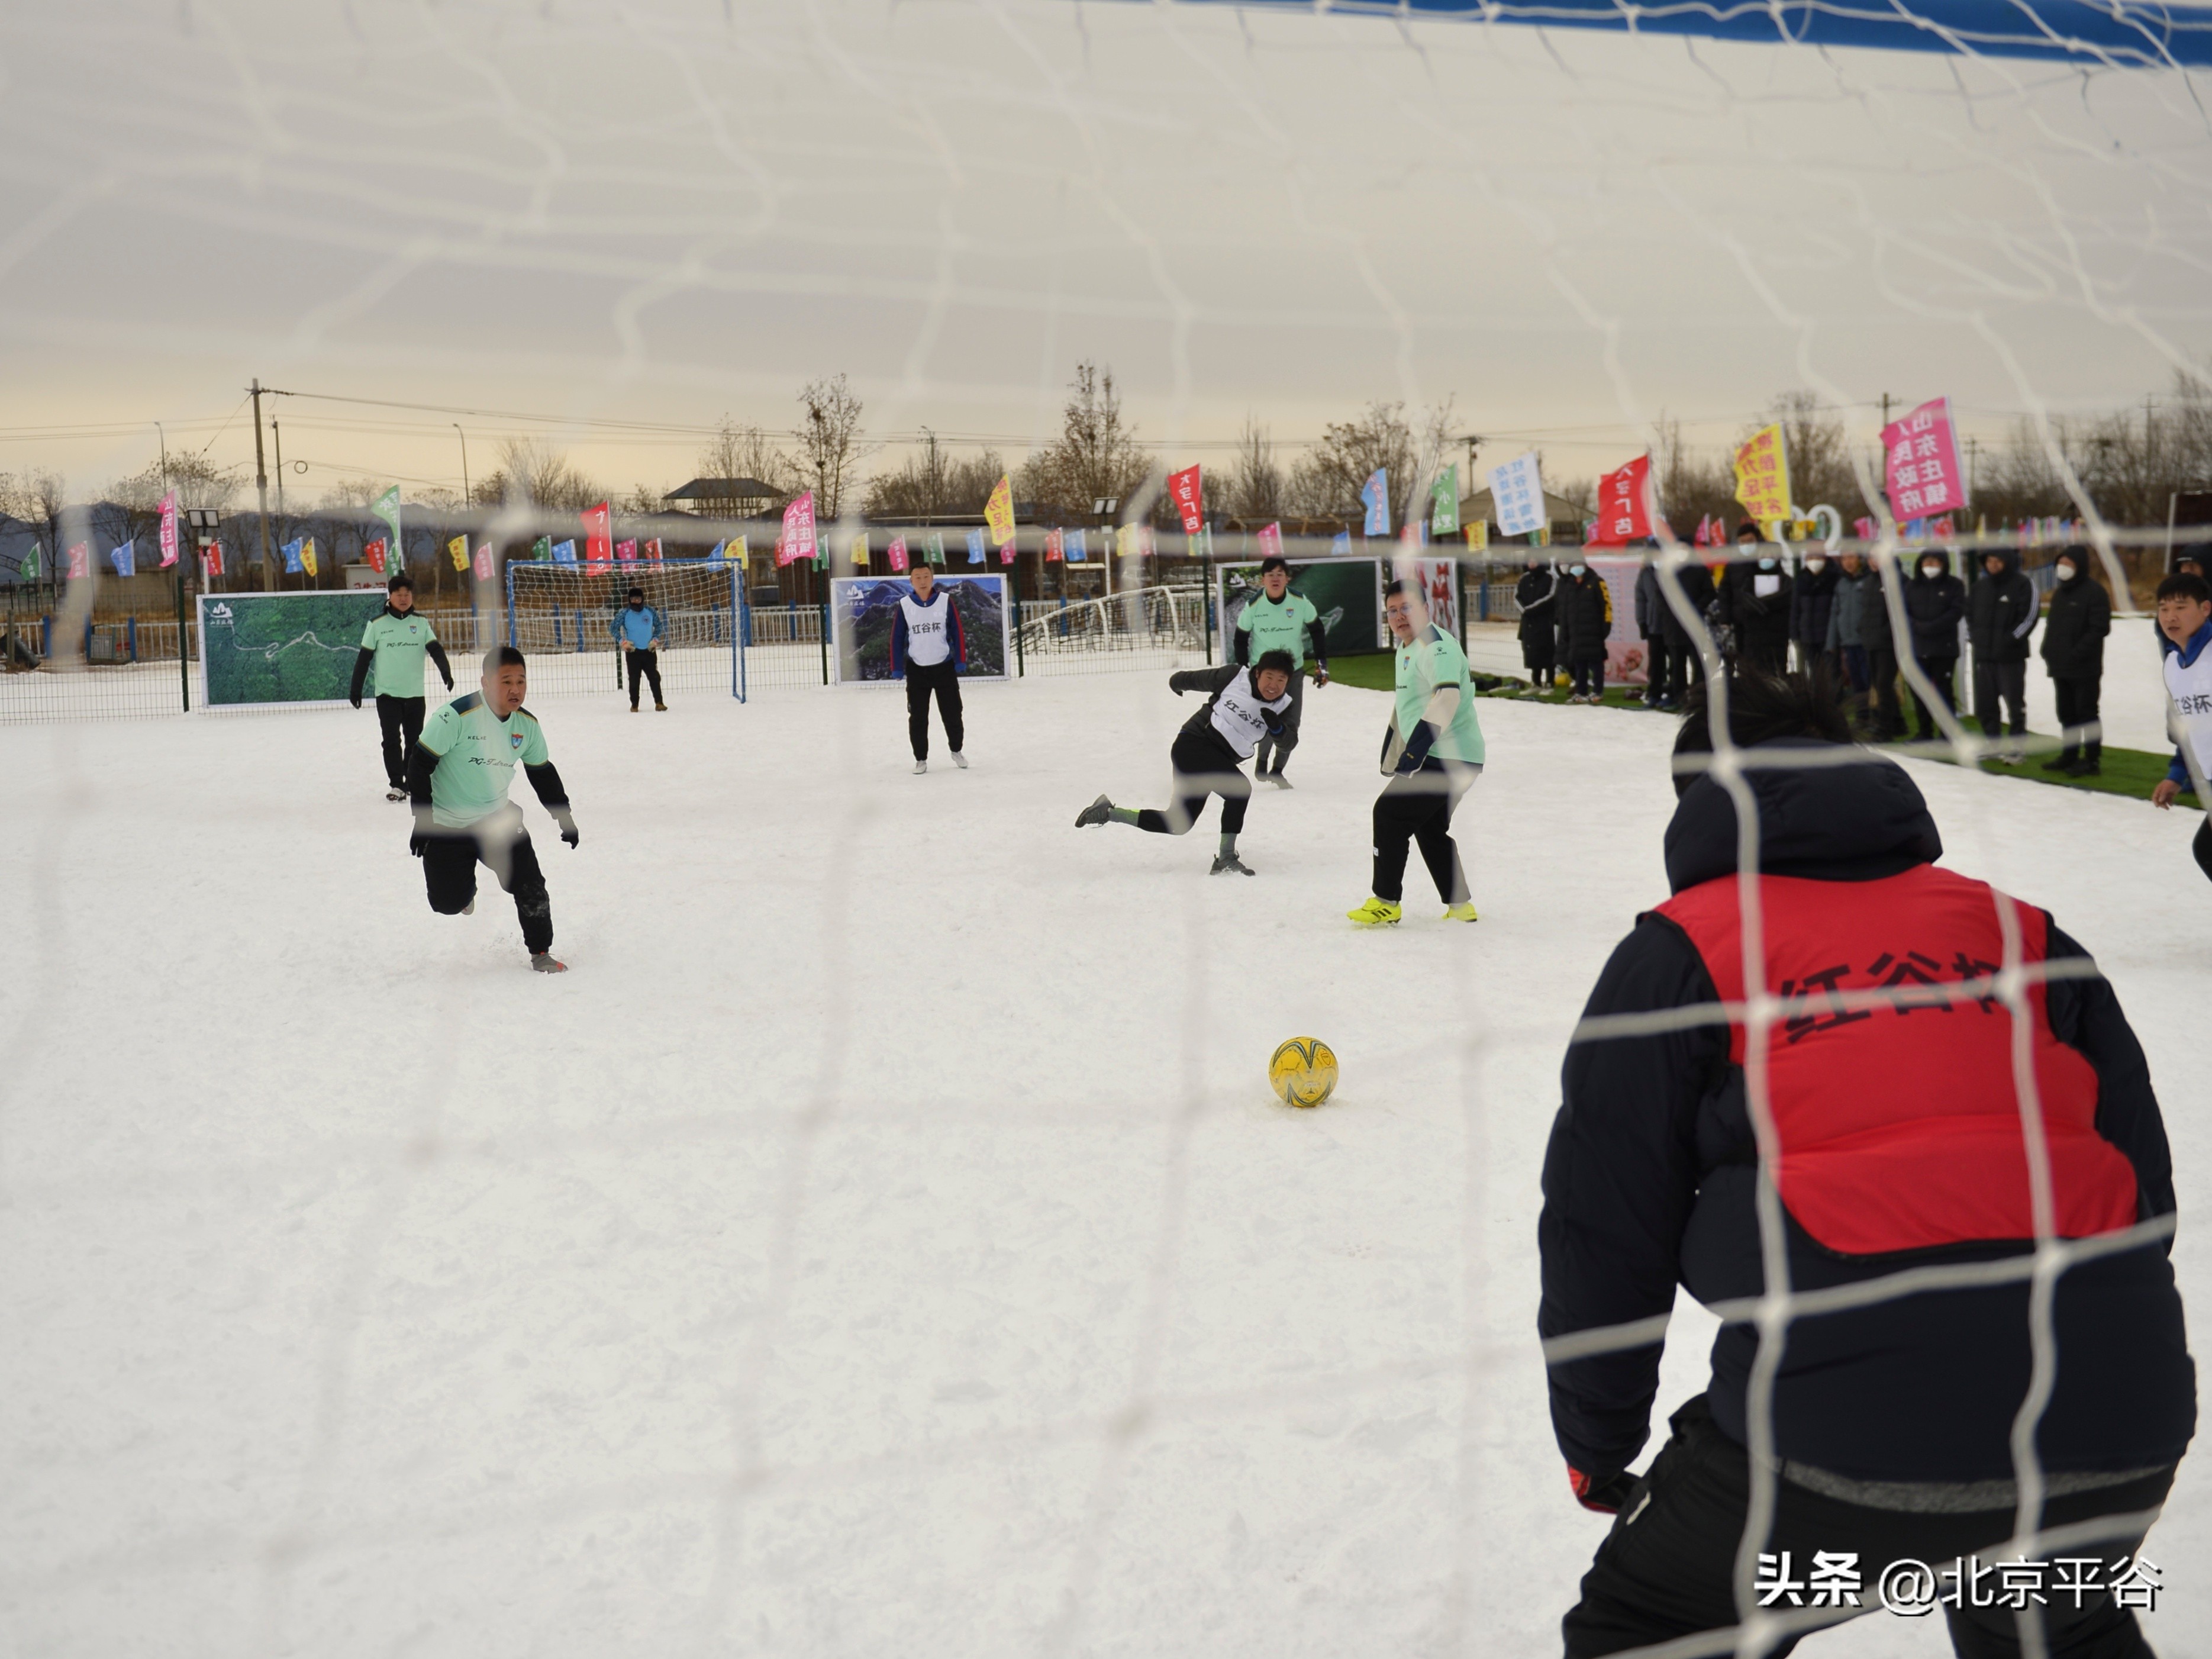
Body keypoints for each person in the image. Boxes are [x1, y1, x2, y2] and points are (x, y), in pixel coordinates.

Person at [1539, 669, 2192, 1659]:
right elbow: (2141, 1182)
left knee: (1646, 1627)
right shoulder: (2017, 927)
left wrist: (1597, 1441)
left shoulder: (1682, 948)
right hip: (2112, 1409)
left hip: (1831, 1435)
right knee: (2051, 1623)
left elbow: (1604, 1218)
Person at [407, 646, 579, 974]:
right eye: (506, 682)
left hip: (498, 820)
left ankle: (541, 952)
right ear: (485, 682)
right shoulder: (455, 717)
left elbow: (542, 773)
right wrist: (423, 820)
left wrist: (564, 816)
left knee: (530, 886)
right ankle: (464, 893)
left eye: (521, 681)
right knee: (446, 903)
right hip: (448, 825)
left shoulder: (526, 726)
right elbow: (419, 765)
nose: (515, 690)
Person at [1074, 650, 1294, 876]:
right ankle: (1226, 858)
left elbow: (1289, 742)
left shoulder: (1284, 705)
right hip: (1193, 745)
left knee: (1178, 824)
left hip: (1217, 761)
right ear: (1258, 674)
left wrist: (1278, 729)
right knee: (1239, 790)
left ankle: (1108, 813)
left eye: (1281, 680)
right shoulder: (1235, 677)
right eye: (1269, 677)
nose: (1274, 685)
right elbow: (1198, 679)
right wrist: (1177, 681)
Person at [1347, 581, 1485, 926]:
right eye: (1392, 611)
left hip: (1446, 757)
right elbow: (1408, 706)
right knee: (1429, 828)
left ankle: (1386, 901)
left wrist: (1416, 752)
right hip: (1452, 757)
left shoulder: (1436, 647)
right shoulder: (1408, 647)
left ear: (1425, 609)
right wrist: (1396, 750)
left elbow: (1447, 698)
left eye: (1406, 608)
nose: (1399, 617)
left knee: (1388, 814)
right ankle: (1461, 906)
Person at [349, 573, 454, 801]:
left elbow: (435, 649)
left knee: (414, 741)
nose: (404, 599)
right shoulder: (377, 624)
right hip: (387, 694)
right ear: (391, 596)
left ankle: (411, 782)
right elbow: (364, 658)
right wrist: (356, 689)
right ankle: (397, 784)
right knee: (391, 740)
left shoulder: (420, 623)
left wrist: (445, 671)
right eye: (399, 595)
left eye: (407, 594)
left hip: (415, 694)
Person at [1233, 555, 1329, 787]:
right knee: (1267, 718)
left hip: (1293, 672)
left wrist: (1321, 664)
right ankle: (1262, 761)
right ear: (1263, 580)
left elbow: (1317, 629)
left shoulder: (1300, 602)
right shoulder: (1254, 605)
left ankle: (1278, 770)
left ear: (1288, 578)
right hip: (1263, 674)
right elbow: (1240, 638)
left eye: (1280, 574)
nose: (1275, 579)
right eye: (1270, 575)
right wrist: (1245, 670)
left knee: (1292, 722)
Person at [2152, 572, 2212, 888]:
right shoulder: (2173, 665)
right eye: (2163, 609)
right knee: (2207, 851)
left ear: (2205, 608)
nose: (2170, 617)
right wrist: (2177, 774)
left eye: (2180, 607)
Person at [889, 562, 968, 774]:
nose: (922, 581)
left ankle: (957, 750)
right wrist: (897, 667)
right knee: (918, 717)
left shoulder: (945, 601)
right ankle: (921, 759)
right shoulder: (905, 605)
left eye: (926, 577)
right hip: (917, 670)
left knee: (953, 713)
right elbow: (897, 638)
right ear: (911, 581)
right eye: (918, 577)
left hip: (944, 667)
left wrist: (960, 659)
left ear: (932, 579)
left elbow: (957, 631)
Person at [2039, 547, 2112, 776]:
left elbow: (2100, 628)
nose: (2063, 568)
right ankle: (2069, 755)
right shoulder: (2060, 594)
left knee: (2086, 712)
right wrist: (2047, 649)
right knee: (2066, 713)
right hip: (2060, 666)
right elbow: (2053, 626)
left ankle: (2092, 760)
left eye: (2069, 564)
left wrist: (2078, 653)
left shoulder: (2095, 592)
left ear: (2080, 565)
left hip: (2085, 668)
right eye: (2061, 563)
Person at [1967, 547, 2037, 761]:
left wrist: (2010, 640)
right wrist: (1976, 638)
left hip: (2011, 657)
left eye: (1998, 560)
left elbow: (2029, 618)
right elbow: (1969, 615)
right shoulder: (1979, 587)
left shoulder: (2023, 584)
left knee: (2014, 703)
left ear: (2007, 561)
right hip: (1984, 657)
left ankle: (2017, 745)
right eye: (1989, 561)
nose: (1993, 565)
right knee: (1986, 704)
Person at [1903, 549, 1966, 740]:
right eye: (1926, 562)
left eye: (1935, 562)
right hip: (1918, 649)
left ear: (1944, 564)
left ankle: (1947, 733)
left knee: (1943, 692)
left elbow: (1956, 612)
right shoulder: (1911, 586)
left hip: (1944, 650)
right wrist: (1917, 627)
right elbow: (1903, 612)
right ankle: (1925, 732)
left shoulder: (1955, 585)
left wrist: (1931, 627)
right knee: (1920, 693)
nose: (1930, 566)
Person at [1718, 525, 1792, 674]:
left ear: (1757, 539)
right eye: (1742, 542)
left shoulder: (1768, 561)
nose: (1746, 545)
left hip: (1766, 623)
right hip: (1740, 620)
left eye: (1750, 541)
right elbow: (1725, 592)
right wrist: (1725, 619)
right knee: (1744, 660)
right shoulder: (1734, 564)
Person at [1653, 552, 1716, 709]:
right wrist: (1670, 610)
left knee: (1698, 663)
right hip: (1673, 624)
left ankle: (1698, 699)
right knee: (1677, 664)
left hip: (1695, 624)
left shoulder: (1699, 569)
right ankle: (1679, 698)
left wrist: (1697, 608)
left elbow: (1710, 592)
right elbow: (1660, 595)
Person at [1558, 559, 1613, 703]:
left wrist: (1605, 628)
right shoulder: (1570, 585)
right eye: (1573, 566)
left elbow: (1606, 606)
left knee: (1596, 663)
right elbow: (1565, 611)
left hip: (1594, 631)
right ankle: (1581, 693)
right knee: (1579, 663)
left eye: (1578, 565)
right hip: (1576, 632)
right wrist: (1565, 631)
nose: (1576, 569)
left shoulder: (1597, 582)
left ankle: (1598, 692)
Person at [609, 584, 666, 711]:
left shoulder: (650, 611)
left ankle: (659, 703)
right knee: (634, 680)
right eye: (633, 599)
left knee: (654, 678)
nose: (636, 601)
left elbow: (659, 626)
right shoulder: (624, 613)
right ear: (630, 600)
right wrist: (623, 642)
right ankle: (634, 705)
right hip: (633, 652)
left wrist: (655, 640)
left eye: (638, 599)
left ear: (642, 599)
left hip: (649, 651)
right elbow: (612, 628)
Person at [1787, 545, 1838, 681]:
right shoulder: (1802, 580)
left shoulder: (1834, 577)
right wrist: (1795, 635)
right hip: (1808, 636)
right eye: (1811, 557)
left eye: (1818, 557)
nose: (1814, 561)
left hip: (1828, 637)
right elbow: (1796, 610)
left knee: (1831, 674)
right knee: (1814, 675)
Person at [1631, 552, 1671, 709]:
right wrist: (1642, 622)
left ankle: (1674, 693)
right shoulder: (1645, 573)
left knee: (1676, 662)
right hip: (1654, 624)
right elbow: (1640, 598)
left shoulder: (1673, 568)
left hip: (1672, 624)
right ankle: (1654, 694)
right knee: (1656, 662)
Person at [1518, 558, 1559, 691]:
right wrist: (1524, 610)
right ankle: (1536, 683)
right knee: (1531, 653)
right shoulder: (1524, 579)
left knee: (1548, 652)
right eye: (1529, 561)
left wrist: (1531, 610)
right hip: (1528, 623)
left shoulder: (1550, 578)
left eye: (1534, 561)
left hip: (1545, 622)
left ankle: (1550, 682)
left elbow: (1551, 596)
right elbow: (1517, 597)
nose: (1531, 563)